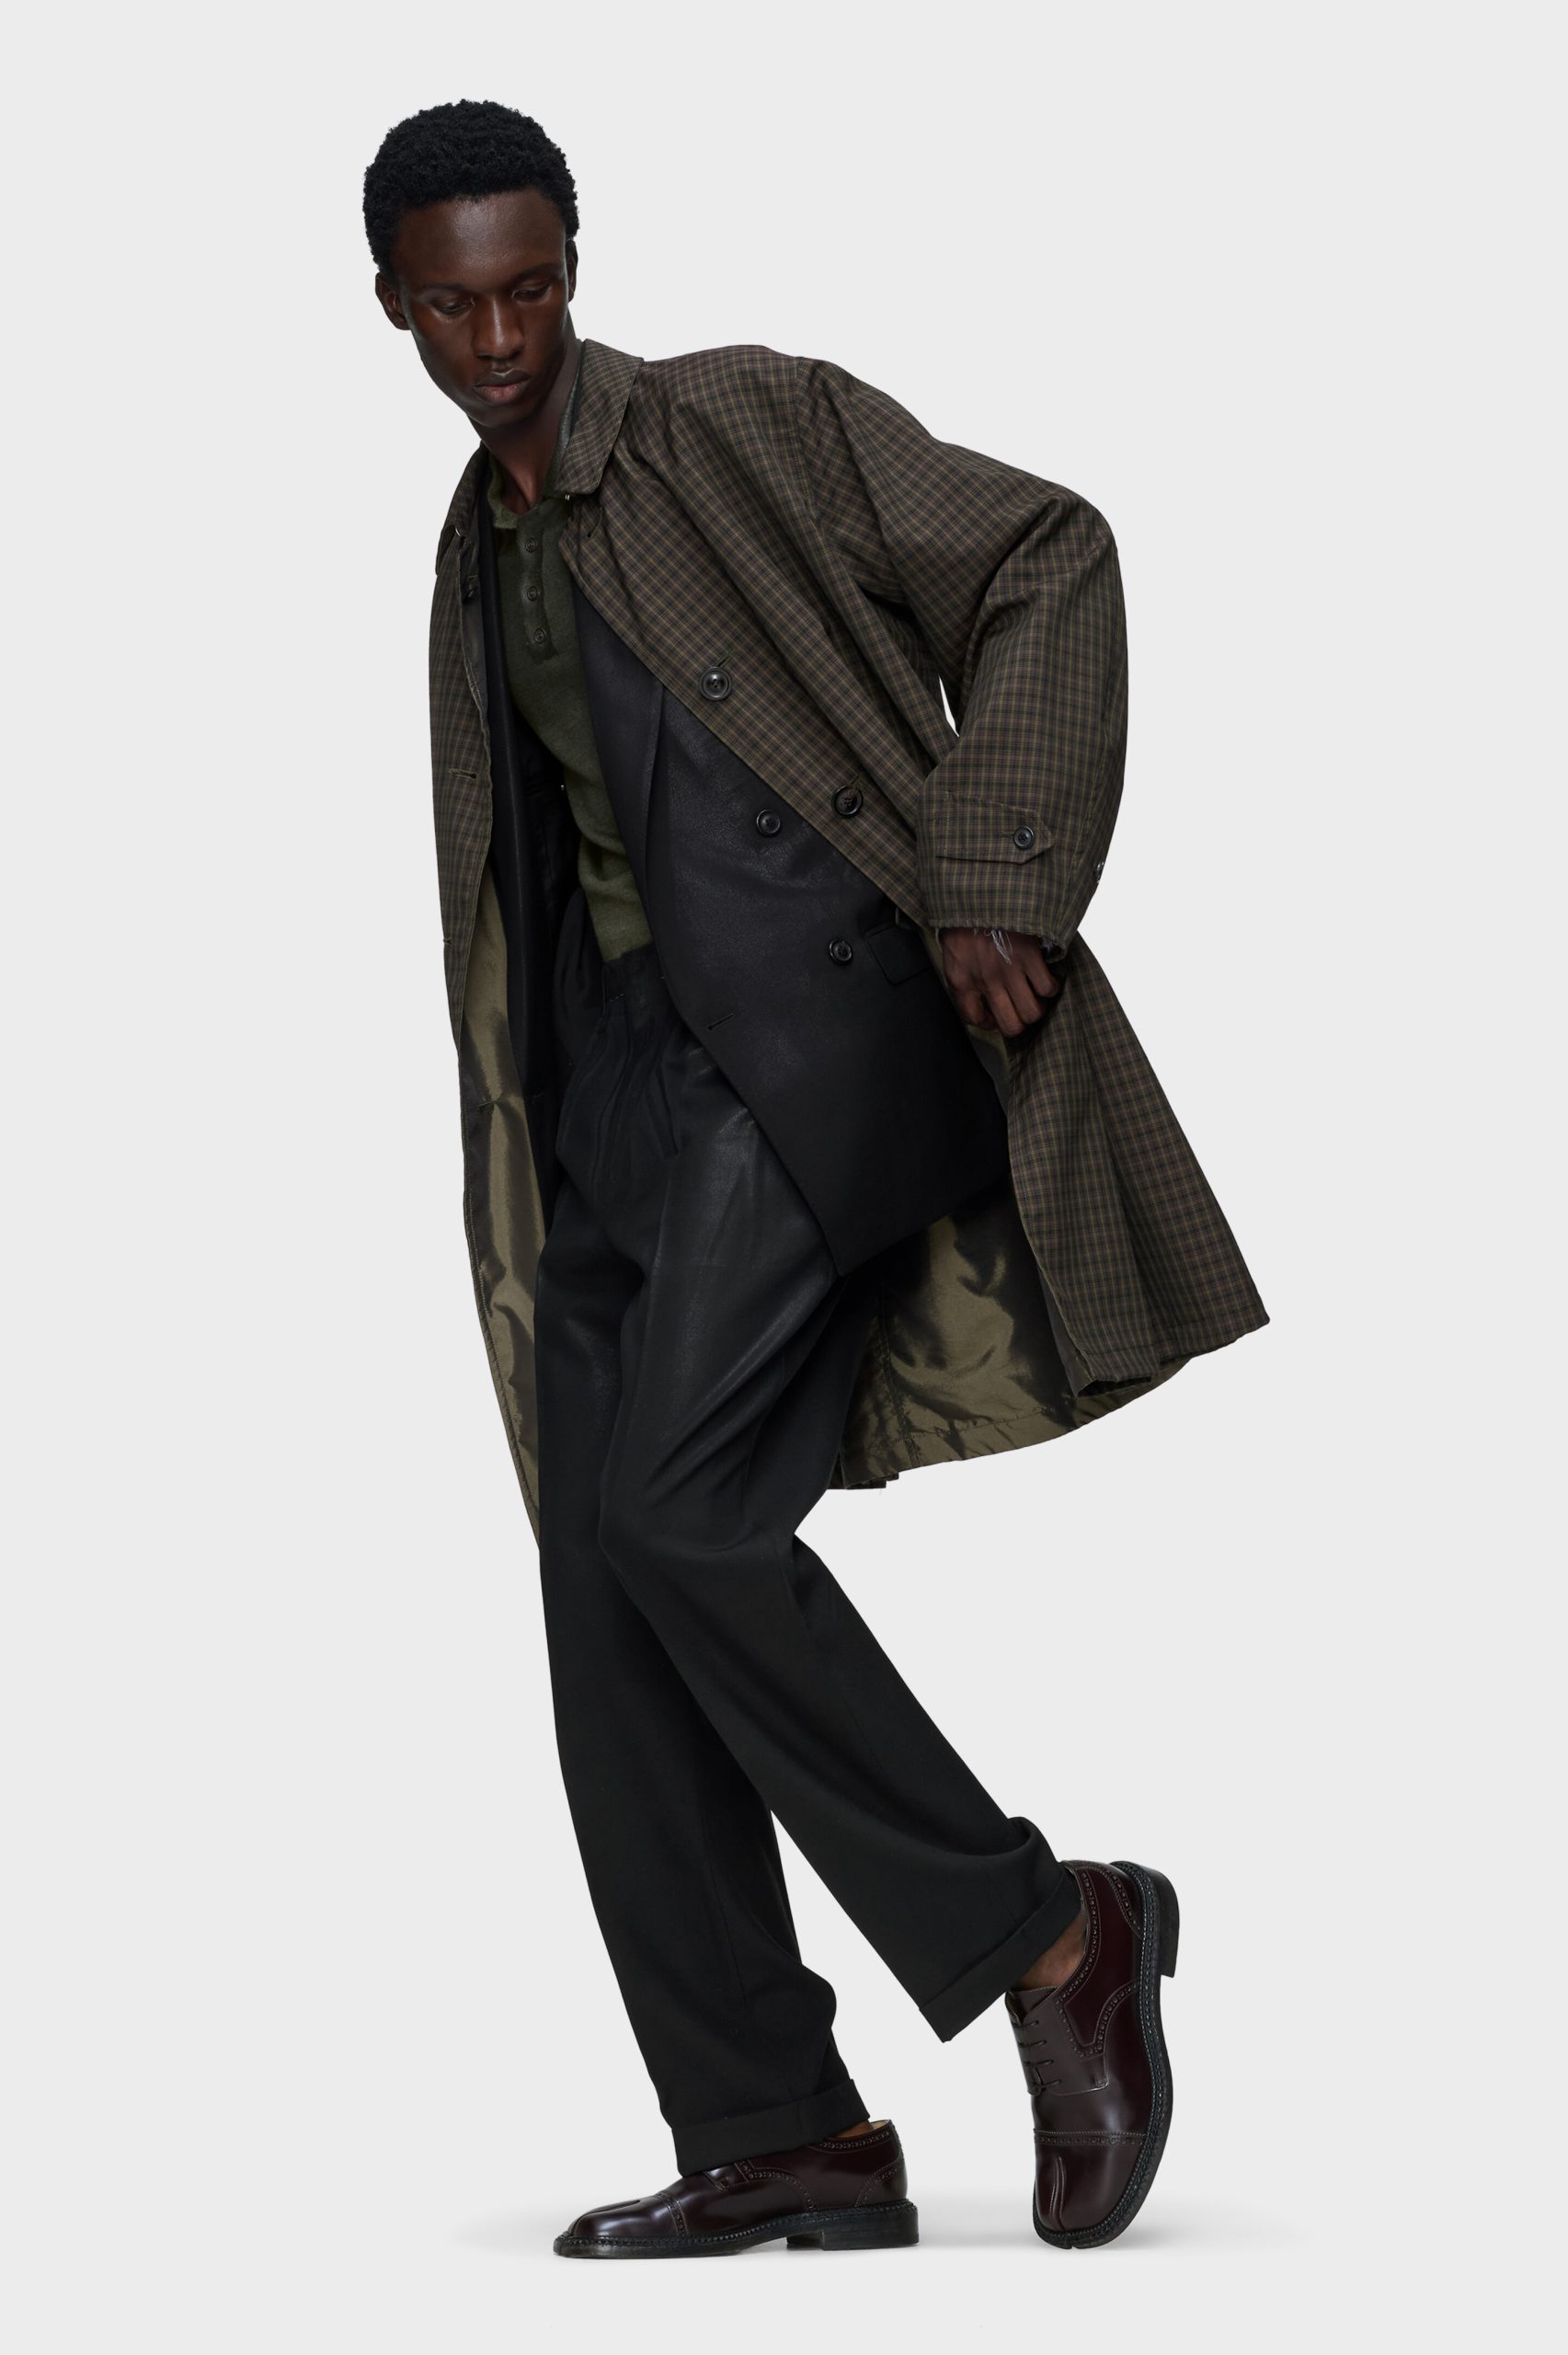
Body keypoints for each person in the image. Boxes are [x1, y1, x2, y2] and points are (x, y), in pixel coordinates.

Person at [365, 98, 1265, 2259]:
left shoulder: (741, 424)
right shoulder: (472, 546)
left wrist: (1000, 868)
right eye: (456, 305)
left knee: (682, 1514)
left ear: (574, 264)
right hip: (606, 1105)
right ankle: (780, 2123)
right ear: (392, 304)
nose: (502, 339)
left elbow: (1046, 552)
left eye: (531, 288)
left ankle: (1053, 1933)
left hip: (805, 1048)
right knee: (606, 1590)